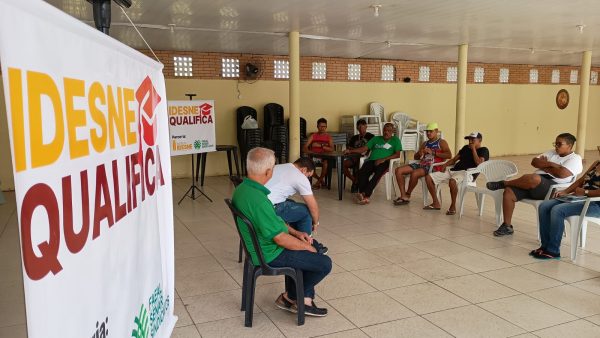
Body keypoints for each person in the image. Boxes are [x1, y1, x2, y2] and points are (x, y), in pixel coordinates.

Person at [232, 147, 332, 316]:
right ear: (269, 171)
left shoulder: (244, 189)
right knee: (323, 262)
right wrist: (305, 247)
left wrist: (296, 233)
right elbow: (280, 239)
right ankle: (292, 296)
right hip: (270, 253)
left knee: (311, 245)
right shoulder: (259, 201)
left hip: (262, 245)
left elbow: (277, 222)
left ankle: (295, 298)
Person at [487, 133, 583, 237]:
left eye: (559, 144)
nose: (556, 146)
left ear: (569, 145)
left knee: (533, 178)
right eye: (555, 143)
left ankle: (504, 183)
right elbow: (534, 162)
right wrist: (552, 165)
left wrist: (544, 165)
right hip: (533, 184)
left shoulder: (575, 159)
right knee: (509, 192)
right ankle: (507, 226)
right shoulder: (551, 153)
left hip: (553, 188)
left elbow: (562, 174)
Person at [531, 160, 600, 259]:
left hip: (595, 204)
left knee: (558, 210)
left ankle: (553, 250)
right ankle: (545, 246)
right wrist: (565, 191)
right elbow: (581, 180)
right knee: (544, 206)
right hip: (580, 198)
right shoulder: (596, 163)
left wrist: (585, 191)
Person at [265, 157, 328, 254]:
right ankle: (307, 247)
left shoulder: (279, 166)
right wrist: (315, 222)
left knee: (292, 204)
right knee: (306, 212)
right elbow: (313, 206)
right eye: (308, 175)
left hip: (260, 203)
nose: (307, 178)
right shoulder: (299, 176)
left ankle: (296, 238)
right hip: (269, 210)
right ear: (304, 170)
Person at [425, 132, 489, 214]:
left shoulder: (484, 150)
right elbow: (454, 160)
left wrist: (473, 149)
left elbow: (479, 164)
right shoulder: (465, 148)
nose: (470, 141)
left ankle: (453, 206)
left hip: (466, 174)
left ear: (479, 140)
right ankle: (435, 202)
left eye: (473, 139)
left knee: (452, 181)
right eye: (469, 139)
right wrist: (445, 164)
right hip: (453, 171)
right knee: (428, 177)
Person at [392, 122, 452, 205]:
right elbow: (416, 157)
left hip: (433, 166)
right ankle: (403, 195)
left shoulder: (441, 142)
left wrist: (433, 152)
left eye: (430, 131)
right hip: (422, 164)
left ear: (436, 131)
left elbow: (449, 155)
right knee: (398, 170)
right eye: (427, 131)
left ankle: (408, 194)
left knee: (415, 173)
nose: (428, 133)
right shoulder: (425, 143)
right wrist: (420, 153)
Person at [344, 123, 402, 205]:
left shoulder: (395, 140)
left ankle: (364, 194)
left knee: (377, 175)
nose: (386, 132)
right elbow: (363, 149)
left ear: (392, 132)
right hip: (371, 160)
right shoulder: (376, 139)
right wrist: (350, 151)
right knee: (361, 173)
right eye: (385, 130)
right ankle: (364, 196)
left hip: (385, 162)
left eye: (389, 131)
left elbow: (397, 154)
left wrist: (383, 159)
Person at [344, 119, 375, 193]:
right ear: (357, 128)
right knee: (342, 165)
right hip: (353, 156)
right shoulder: (354, 137)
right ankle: (355, 180)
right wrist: (357, 150)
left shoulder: (371, 136)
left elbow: (372, 148)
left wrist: (359, 150)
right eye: (359, 127)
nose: (361, 129)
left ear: (366, 126)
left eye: (362, 127)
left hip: (365, 157)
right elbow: (349, 147)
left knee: (358, 163)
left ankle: (355, 185)